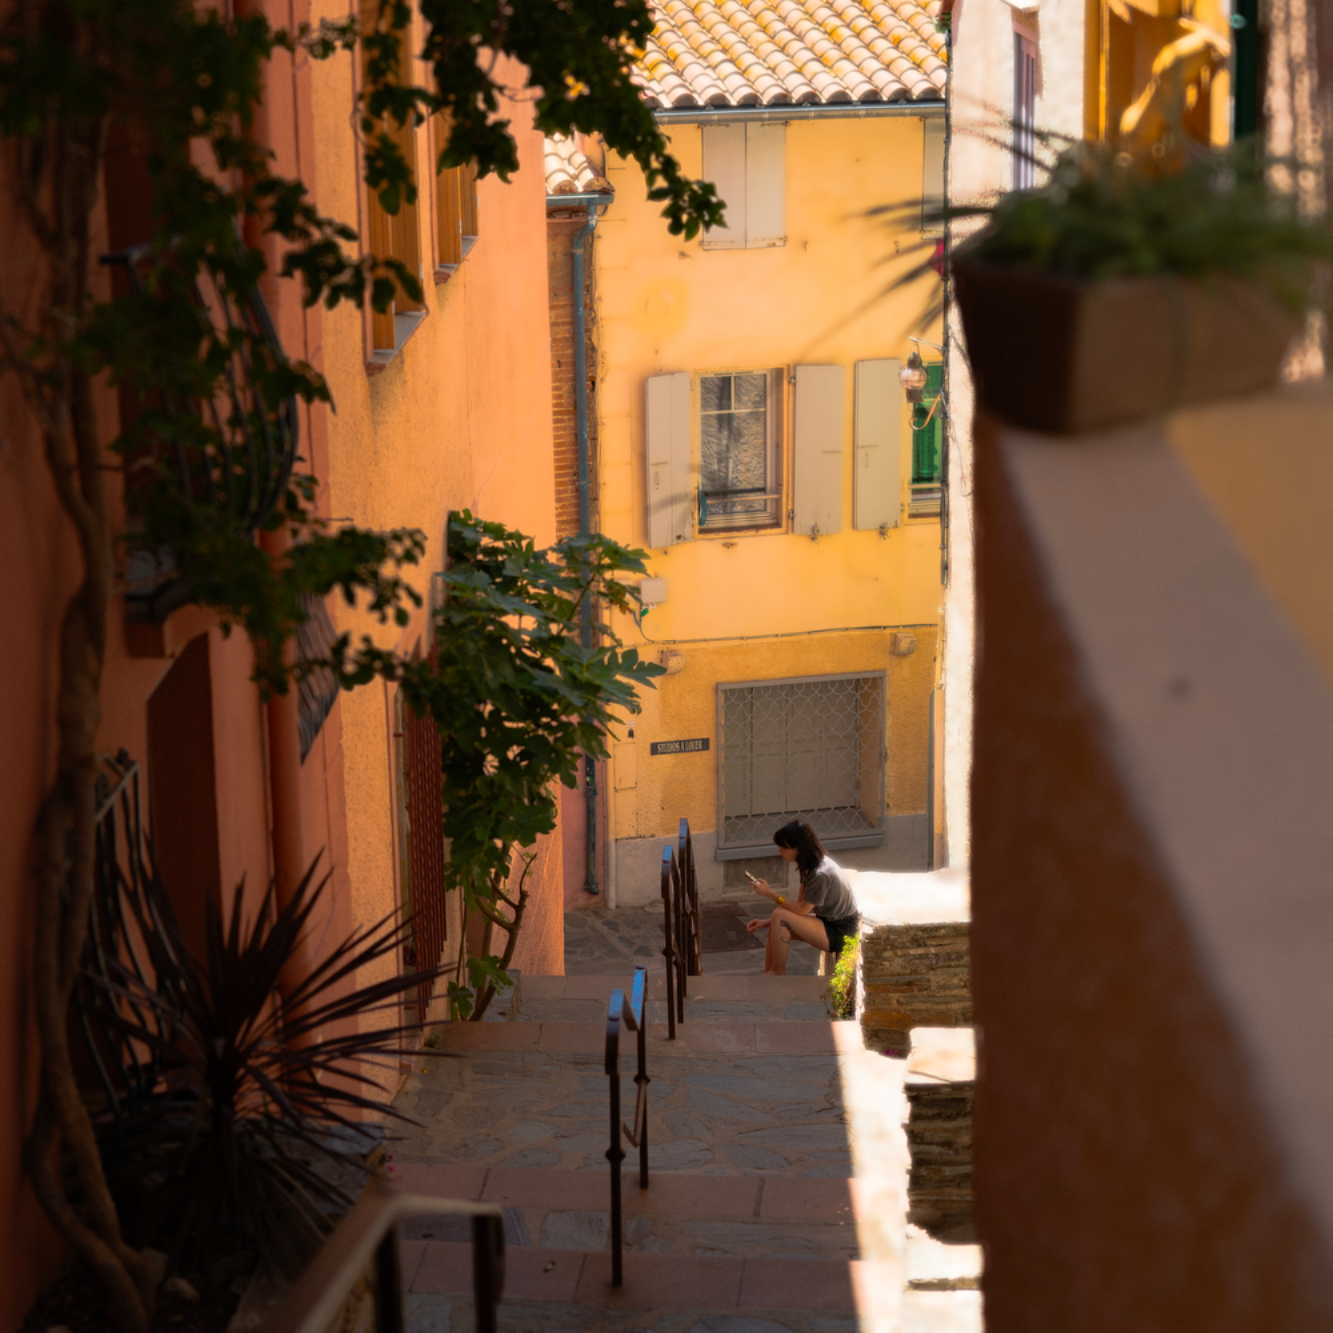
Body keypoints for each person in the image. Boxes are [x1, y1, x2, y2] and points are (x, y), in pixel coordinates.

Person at [746, 819, 860, 976]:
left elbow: (801, 910)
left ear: (798, 848)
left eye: (783, 847)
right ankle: (770, 973)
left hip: (841, 931)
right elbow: (799, 907)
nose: (780, 851)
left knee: (780, 915)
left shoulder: (820, 873)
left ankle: (777, 973)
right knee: (777, 921)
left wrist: (769, 893)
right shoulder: (808, 865)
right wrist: (767, 922)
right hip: (828, 922)